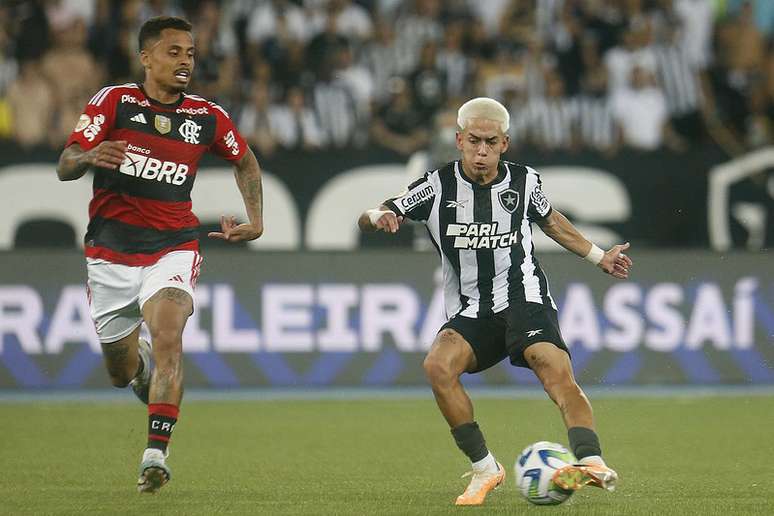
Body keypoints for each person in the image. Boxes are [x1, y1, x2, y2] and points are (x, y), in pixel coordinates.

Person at [358, 97, 630, 506]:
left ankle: (590, 460)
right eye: (473, 142)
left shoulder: (523, 182)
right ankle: (486, 468)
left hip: (524, 297)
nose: (481, 151)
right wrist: (376, 216)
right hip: (472, 309)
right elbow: (376, 211)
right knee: (437, 366)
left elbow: (552, 222)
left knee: (552, 366)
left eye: (490, 142)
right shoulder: (436, 186)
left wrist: (598, 256)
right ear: (458, 140)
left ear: (505, 143)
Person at [55, 16, 263, 493]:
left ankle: (155, 453)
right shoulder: (114, 102)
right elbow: (66, 163)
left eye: (190, 53)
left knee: (169, 333)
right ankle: (139, 370)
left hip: (172, 246)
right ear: (145, 57)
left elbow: (245, 159)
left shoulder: (206, 116)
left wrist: (257, 217)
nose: (185, 61)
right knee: (120, 371)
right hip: (110, 254)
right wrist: (89, 156)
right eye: (173, 52)